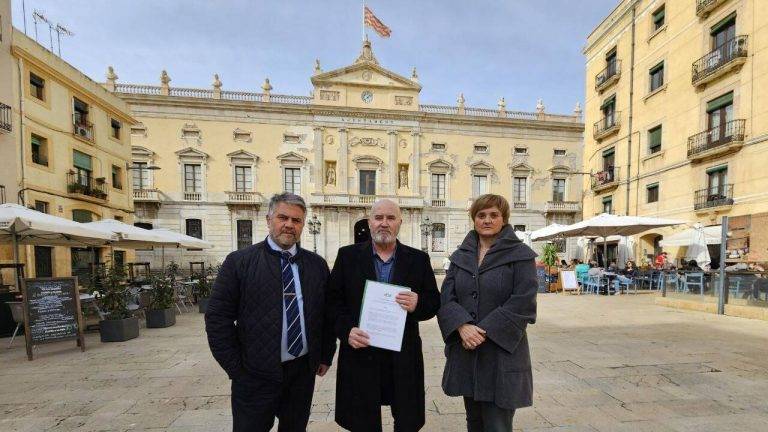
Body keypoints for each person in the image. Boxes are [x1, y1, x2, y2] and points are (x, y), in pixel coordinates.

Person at [205, 193, 336, 432]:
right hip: (254, 374)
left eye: (296, 220)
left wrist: (326, 354)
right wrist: (236, 369)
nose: (289, 225)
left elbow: (326, 314)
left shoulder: (317, 265)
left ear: (303, 225)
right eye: (282, 217)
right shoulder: (239, 262)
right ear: (268, 220)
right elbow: (217, 318)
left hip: (301, 373)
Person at [327, 199, 440, 432]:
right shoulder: (347, 256)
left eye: (390, 218)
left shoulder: (418, 259)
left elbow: (434, 302)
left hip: (403, 356)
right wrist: (346, 330)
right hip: (361, 353)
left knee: (407, 420)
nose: (384, 223)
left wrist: (419, 302)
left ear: (400, 222)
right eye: (378, 218)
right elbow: (332, 303)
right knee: (362, 422)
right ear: (370, 223)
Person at [438, 194, 538, 432]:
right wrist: (462, 326)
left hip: (501, 354)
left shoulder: (521, 255)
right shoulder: (461, 256)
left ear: (504, 219)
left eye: (494, 215)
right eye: (481, 215)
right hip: (467, 352)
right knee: (474, 422)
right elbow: (446, 297)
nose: (487, 220)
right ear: (474, 219)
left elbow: (523, 301)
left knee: (497, 425)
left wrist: (481, 331)